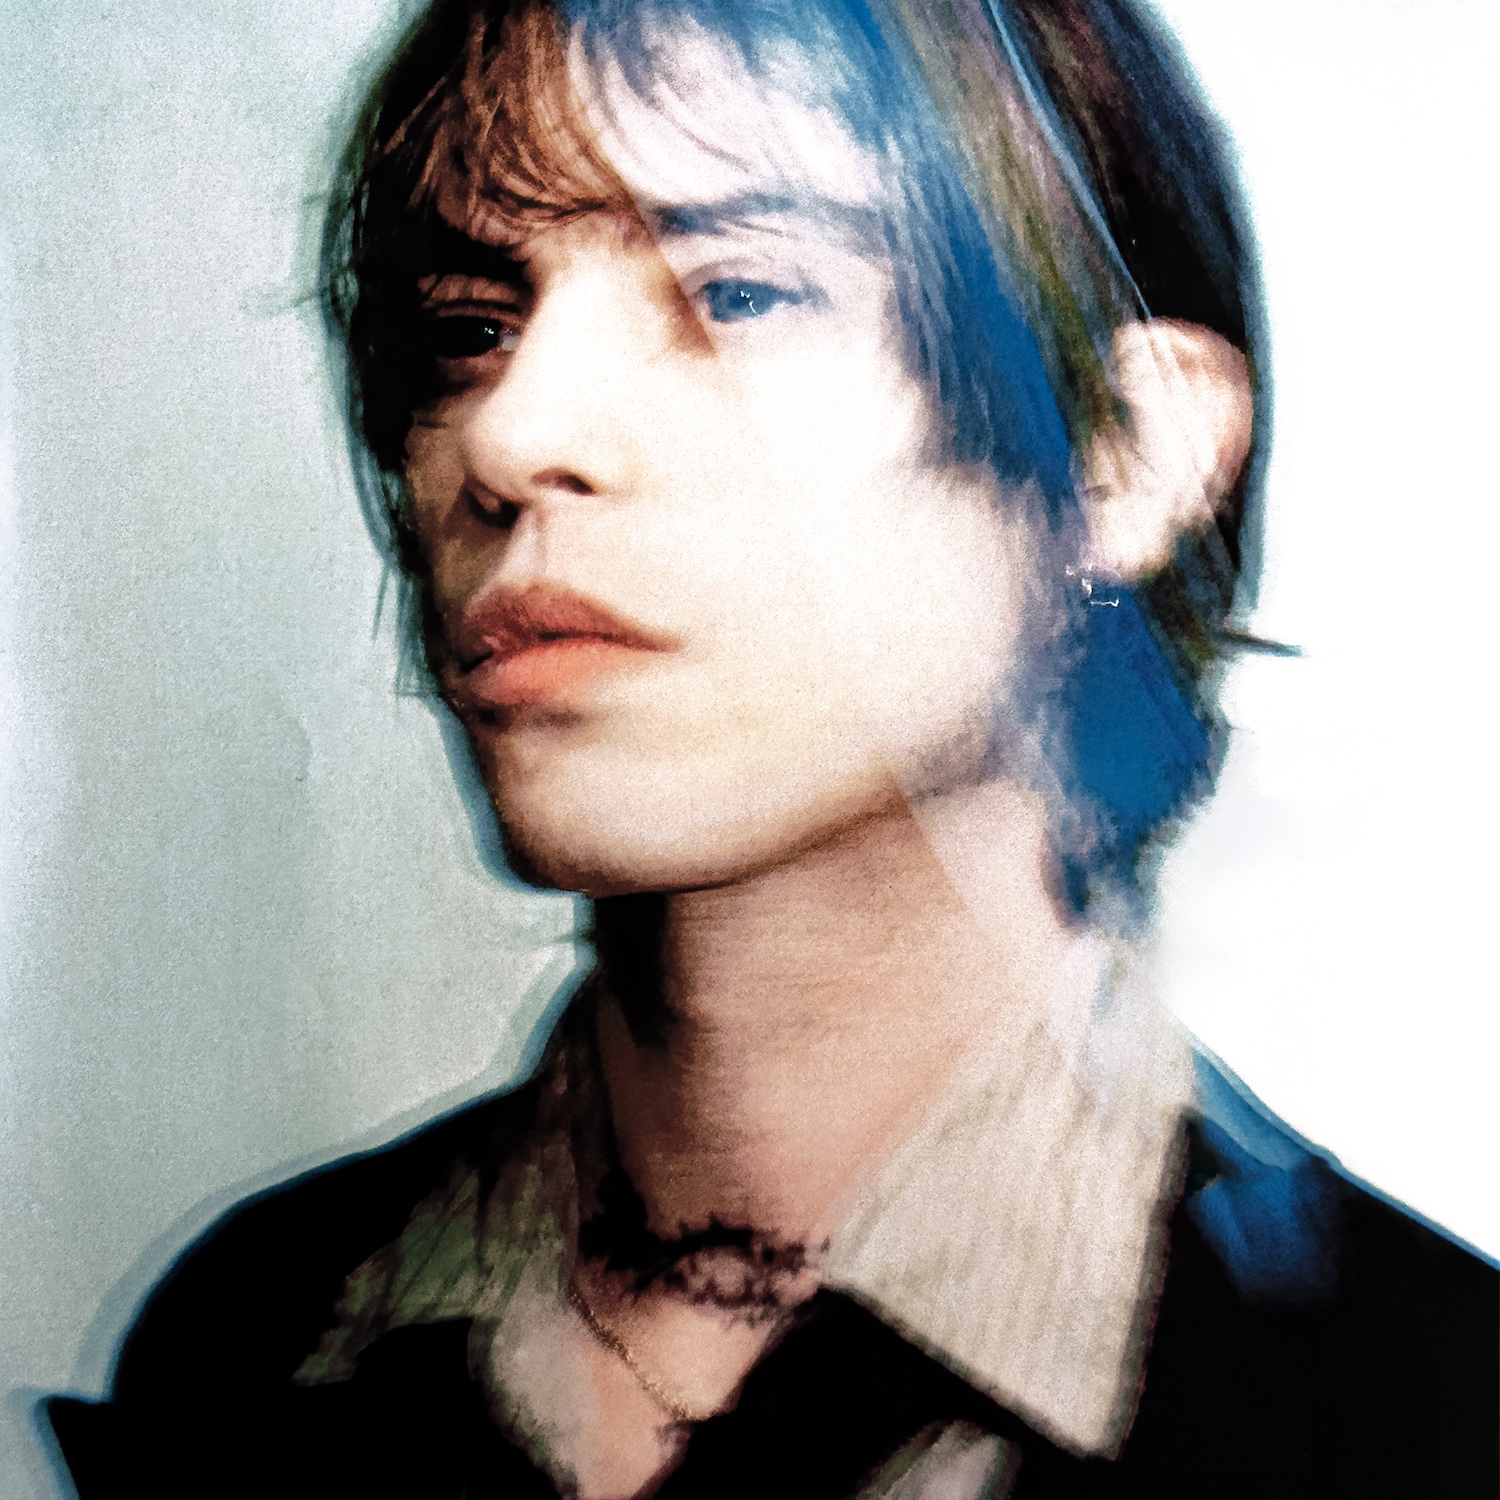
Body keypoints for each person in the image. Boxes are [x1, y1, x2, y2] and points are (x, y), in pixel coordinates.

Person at [43, 0, 1497, 1495]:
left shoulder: (1426, 1423)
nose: (510, 433)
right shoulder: (249, 1346)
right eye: (467, 330)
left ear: (1127, 456)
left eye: (738, 292)